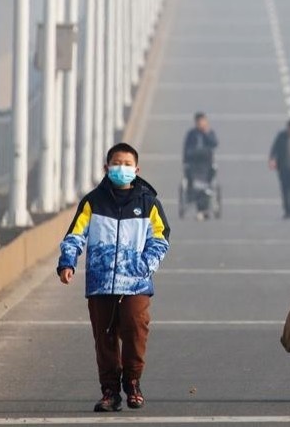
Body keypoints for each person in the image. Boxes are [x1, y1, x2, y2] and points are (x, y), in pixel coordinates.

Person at [56, 142, 171, 413]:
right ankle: (110, 391)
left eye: (127, 164)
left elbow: (161, 237)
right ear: (106, 168)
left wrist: (145, 265)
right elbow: (75, 234)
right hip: (100, 282)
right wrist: (67, 263)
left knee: (135, 330)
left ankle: (132, 383)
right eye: (117, 163)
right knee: (104, 338)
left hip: (136, 283)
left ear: (137, 169)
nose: (122, 168)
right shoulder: (92, 202)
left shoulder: (148, 203)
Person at [182, 111, 218, 184]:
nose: (200, 123)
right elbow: (186, 147)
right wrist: (185, 160)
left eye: (202, 121)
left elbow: (214, 143)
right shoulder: (191, 133)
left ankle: (209, 184)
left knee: (212, 169)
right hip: (194, 159)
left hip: (206, 159)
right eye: (198, 121)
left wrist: (206, 133)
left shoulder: (209, 133)